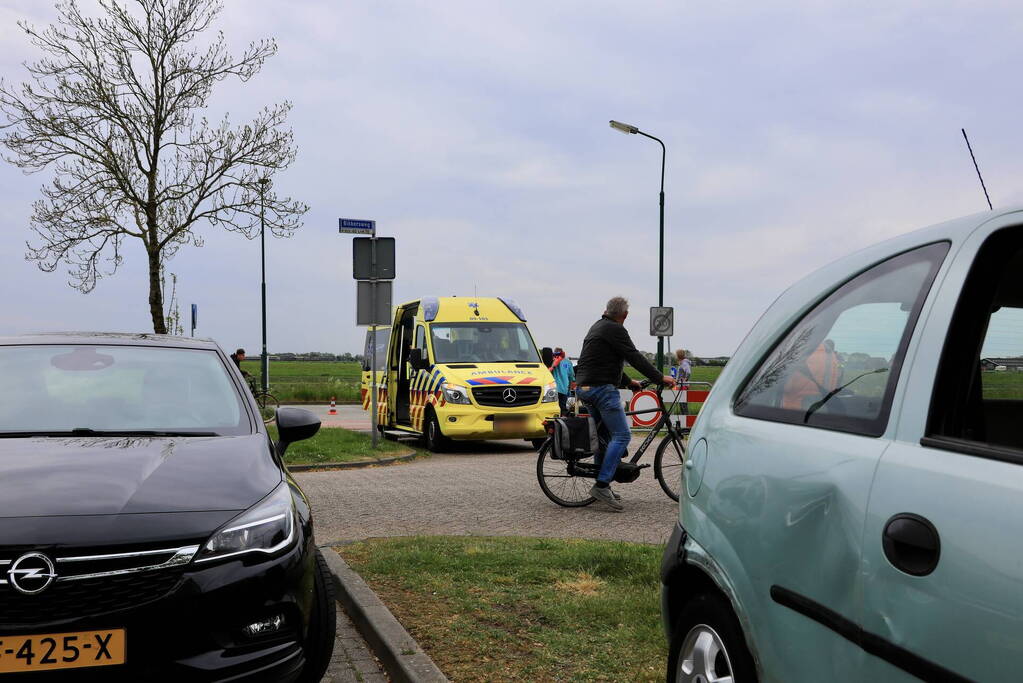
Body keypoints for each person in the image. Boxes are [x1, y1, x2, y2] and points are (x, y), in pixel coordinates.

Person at [575, 296, 675, 511]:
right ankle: (602, 485)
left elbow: (604, 361)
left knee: (603, 438)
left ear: (606, 310)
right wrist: (660, 378)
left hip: (585, 388)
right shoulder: (615, 329)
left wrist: (629, 383)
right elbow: (633, 356)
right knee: (622, 435)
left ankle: (603, 483)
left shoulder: (598, 326)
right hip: (602, 390)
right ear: (625, 315)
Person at [549, 347, 576, 415]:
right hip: (564, 389)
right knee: (562, 409)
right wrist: (569, 389)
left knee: (553, 410)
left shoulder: (551, 361)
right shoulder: (568, 362)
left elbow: (547, 373)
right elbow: (571, 377)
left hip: (553, 389)